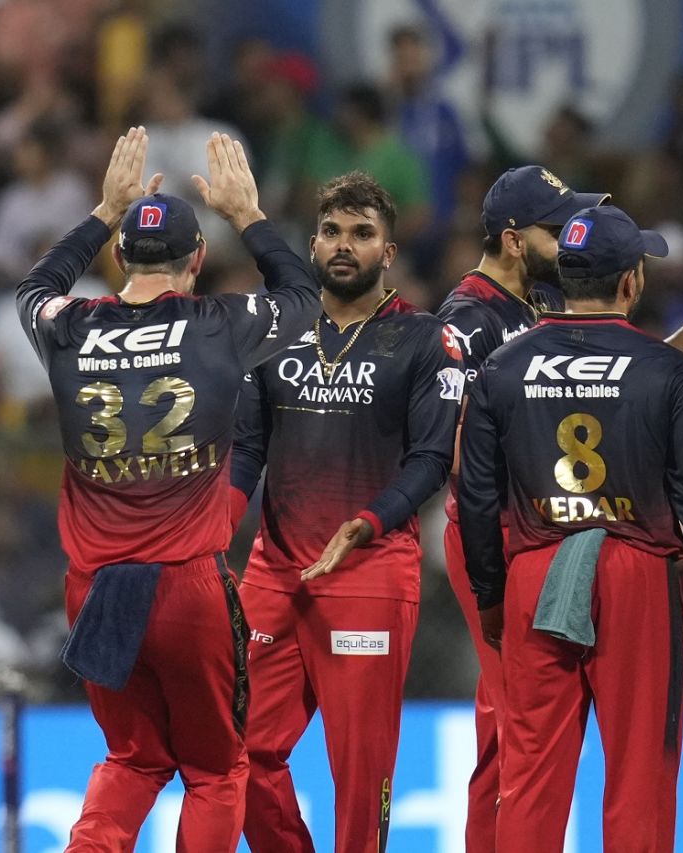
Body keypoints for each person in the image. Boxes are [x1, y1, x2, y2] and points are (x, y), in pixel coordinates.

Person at [16, 127, 320, 850]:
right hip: (189, 589)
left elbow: (35, 287)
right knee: (216, 770)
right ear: (200, 259)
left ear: (120, 255)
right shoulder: (220, 325)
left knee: (133, 757)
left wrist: (102, 210)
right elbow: (302, 296)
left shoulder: (69, 328)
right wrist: (248, 213)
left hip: (95, 587)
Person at [458, 205, 683, 852]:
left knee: (529, 773)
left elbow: (475, 496)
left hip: (535, 568)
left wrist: (491, 592)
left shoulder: (501, 368)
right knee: (639, 772)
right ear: (631, 282)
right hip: (637, 572)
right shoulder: (668, 371)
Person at [229, 170, 462, 852]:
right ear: (313, 242)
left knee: (359, 777)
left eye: (362, 234)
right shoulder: (274, 331)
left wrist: (368, 521)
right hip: (273, 573)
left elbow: (430, 459)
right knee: (234, 752)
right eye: (332, 231)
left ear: (388, 252)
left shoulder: (423, 340)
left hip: (369, 573)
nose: (344, 245)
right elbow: (247, 448)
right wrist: (213, 528)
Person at [435, 164, 607, 852]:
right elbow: (452, 447)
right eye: (555, 228)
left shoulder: (531, 304)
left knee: (506, 725)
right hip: (496, 530)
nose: (571, 238)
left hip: (530, 526)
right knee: (529, 722)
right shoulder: (466, 321)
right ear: (513, 239)